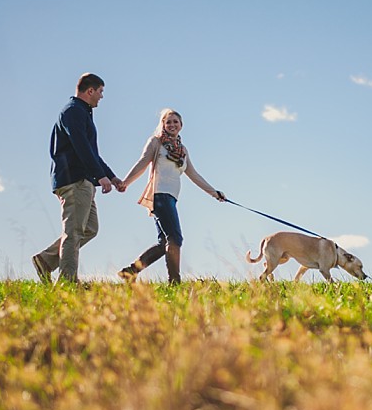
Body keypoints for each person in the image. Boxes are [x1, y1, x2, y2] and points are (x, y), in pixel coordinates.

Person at [32, 73, 124, 283]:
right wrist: (100, 176)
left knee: (90, 228)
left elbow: (92, 151)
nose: (101, 97)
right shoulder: (73, 112)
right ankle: (67, 283)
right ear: (89, 90)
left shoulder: (82, 112)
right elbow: (80, 146)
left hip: (84, 181)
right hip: (73, 179)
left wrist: (111, 176)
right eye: (100, 92)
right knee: (73, 232)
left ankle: (45, 261)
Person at [117, 108, 226, 284]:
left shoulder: (182, 150)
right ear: (163, 125)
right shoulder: (156, 142)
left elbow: (194, 175)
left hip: (171, 198)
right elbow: (142, 163)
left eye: (175, 122)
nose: (172, 125)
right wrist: (125, 182)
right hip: (160, 195)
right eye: (168, 122)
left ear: (181, 125)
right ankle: (174, 282)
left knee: (164, 243)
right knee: (175, 239)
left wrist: (215, 193)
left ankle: (130, 272)